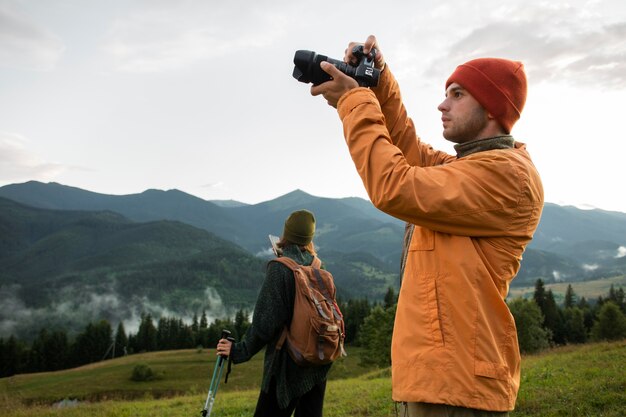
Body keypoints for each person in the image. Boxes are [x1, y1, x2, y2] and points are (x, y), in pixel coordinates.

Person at [309, 35, 544, 416]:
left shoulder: (507, 177)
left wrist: (354, 100)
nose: (442, 103)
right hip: (440, 378)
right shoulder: (471, 168)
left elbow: (396, 186)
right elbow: (408, 152)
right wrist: (378, 80)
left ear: (492, 107)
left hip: (458, 385)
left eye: (457, 94)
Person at [216, 209, 332, 417]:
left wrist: (238, 351)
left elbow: (265, 323)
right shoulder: (318, 267)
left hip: (286, 368)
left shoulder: (280, 269)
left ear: (285, 235)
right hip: (317, 361)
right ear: (309, 238)